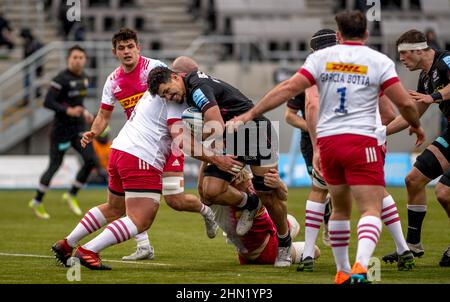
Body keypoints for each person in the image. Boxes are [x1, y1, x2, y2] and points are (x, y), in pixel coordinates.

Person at [230, 10, 424, 283]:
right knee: (371, 207)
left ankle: (342, 271)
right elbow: (402, 104)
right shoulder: (378, 60)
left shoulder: (320, 59)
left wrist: (250, 114)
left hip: (329, 143)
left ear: (339, 35)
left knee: (338, 208)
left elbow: (288, 89)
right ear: (366, 35)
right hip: (363, 142)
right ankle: (361, 264)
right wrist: (415, 124)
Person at [80, 28, 217, 261]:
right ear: (115, 52)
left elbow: (178, 91)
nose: (126, 52)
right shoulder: (113, 81)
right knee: (129, 201)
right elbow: (103, 115)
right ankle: (144, 246)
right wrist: (93, 131)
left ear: (138, 48)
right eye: (121, 48)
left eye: (130, 46)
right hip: (139, 144)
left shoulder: (154, 69)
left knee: (175, 199)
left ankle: (207, 212)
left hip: (168, 141)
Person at [147, 66, 293, 268]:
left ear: (175, 77)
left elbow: (215, 124)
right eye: (164, 96)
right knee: (210, 192)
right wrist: (212, 154)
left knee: (268, 193)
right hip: (229, 137)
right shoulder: (187, 90)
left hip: (254, 131)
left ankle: (284, 241)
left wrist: (204, 143)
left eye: (168, 91)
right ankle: (250, 203)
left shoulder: (197, 88)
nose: (170, 97)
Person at [51, 90, 179, 270]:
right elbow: (184, 138)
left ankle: (67, 244)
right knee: (140, 219)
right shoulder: (174, 98)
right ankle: (89, 251)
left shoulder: (145, 93)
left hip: (119, 150)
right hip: (141, 156)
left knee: (114, 207)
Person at [385, 29, 450, 267]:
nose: (401, 58)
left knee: (444, 192)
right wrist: (379, 134)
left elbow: (431, 98)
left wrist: (433, 97)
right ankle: (412, 246)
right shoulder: (424, 77)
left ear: (420, 50)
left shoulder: (445, 61)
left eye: (404, 53)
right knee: (413, 179)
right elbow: (413, 113)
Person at [284, 29, 336, 272]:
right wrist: (312, 128)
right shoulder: (306, 76)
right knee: (324, 191)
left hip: (334, 141)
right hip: (314, 143)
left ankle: (316, 250)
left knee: (329, 192)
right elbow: (289, 116)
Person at [28, 45, 96, 219]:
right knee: (54, 166)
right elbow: (48, 102)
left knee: (91, 161)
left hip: (79, 129)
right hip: (61, 131)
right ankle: (37, 201)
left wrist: (85, 112)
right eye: (75, 57)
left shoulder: (85, 78)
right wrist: (67, 110)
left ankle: (71, 194)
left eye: (81, 57)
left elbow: (78, 102)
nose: (78, 60)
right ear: (68, 59)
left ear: (85, 60)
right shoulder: (61, 78)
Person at [212, 167, 320, 265]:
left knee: (291, 221)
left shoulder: (250, 188)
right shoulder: (228, 199)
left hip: (254, 246)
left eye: (249, 178)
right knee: (315, 251)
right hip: (267, 252)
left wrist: (278, 183)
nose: (250, 183)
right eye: (244, 179)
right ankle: (285, 246)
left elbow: (284, 195)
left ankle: (284, 239)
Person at [20, 28, 44, 105]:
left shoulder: (35, 43)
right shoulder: (28, 43)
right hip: (29, 67)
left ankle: (29, 97)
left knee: (29, 81)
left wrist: (39, 68)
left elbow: (38, 57)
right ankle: (33, 94)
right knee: (29, 81)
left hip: (34, 67)